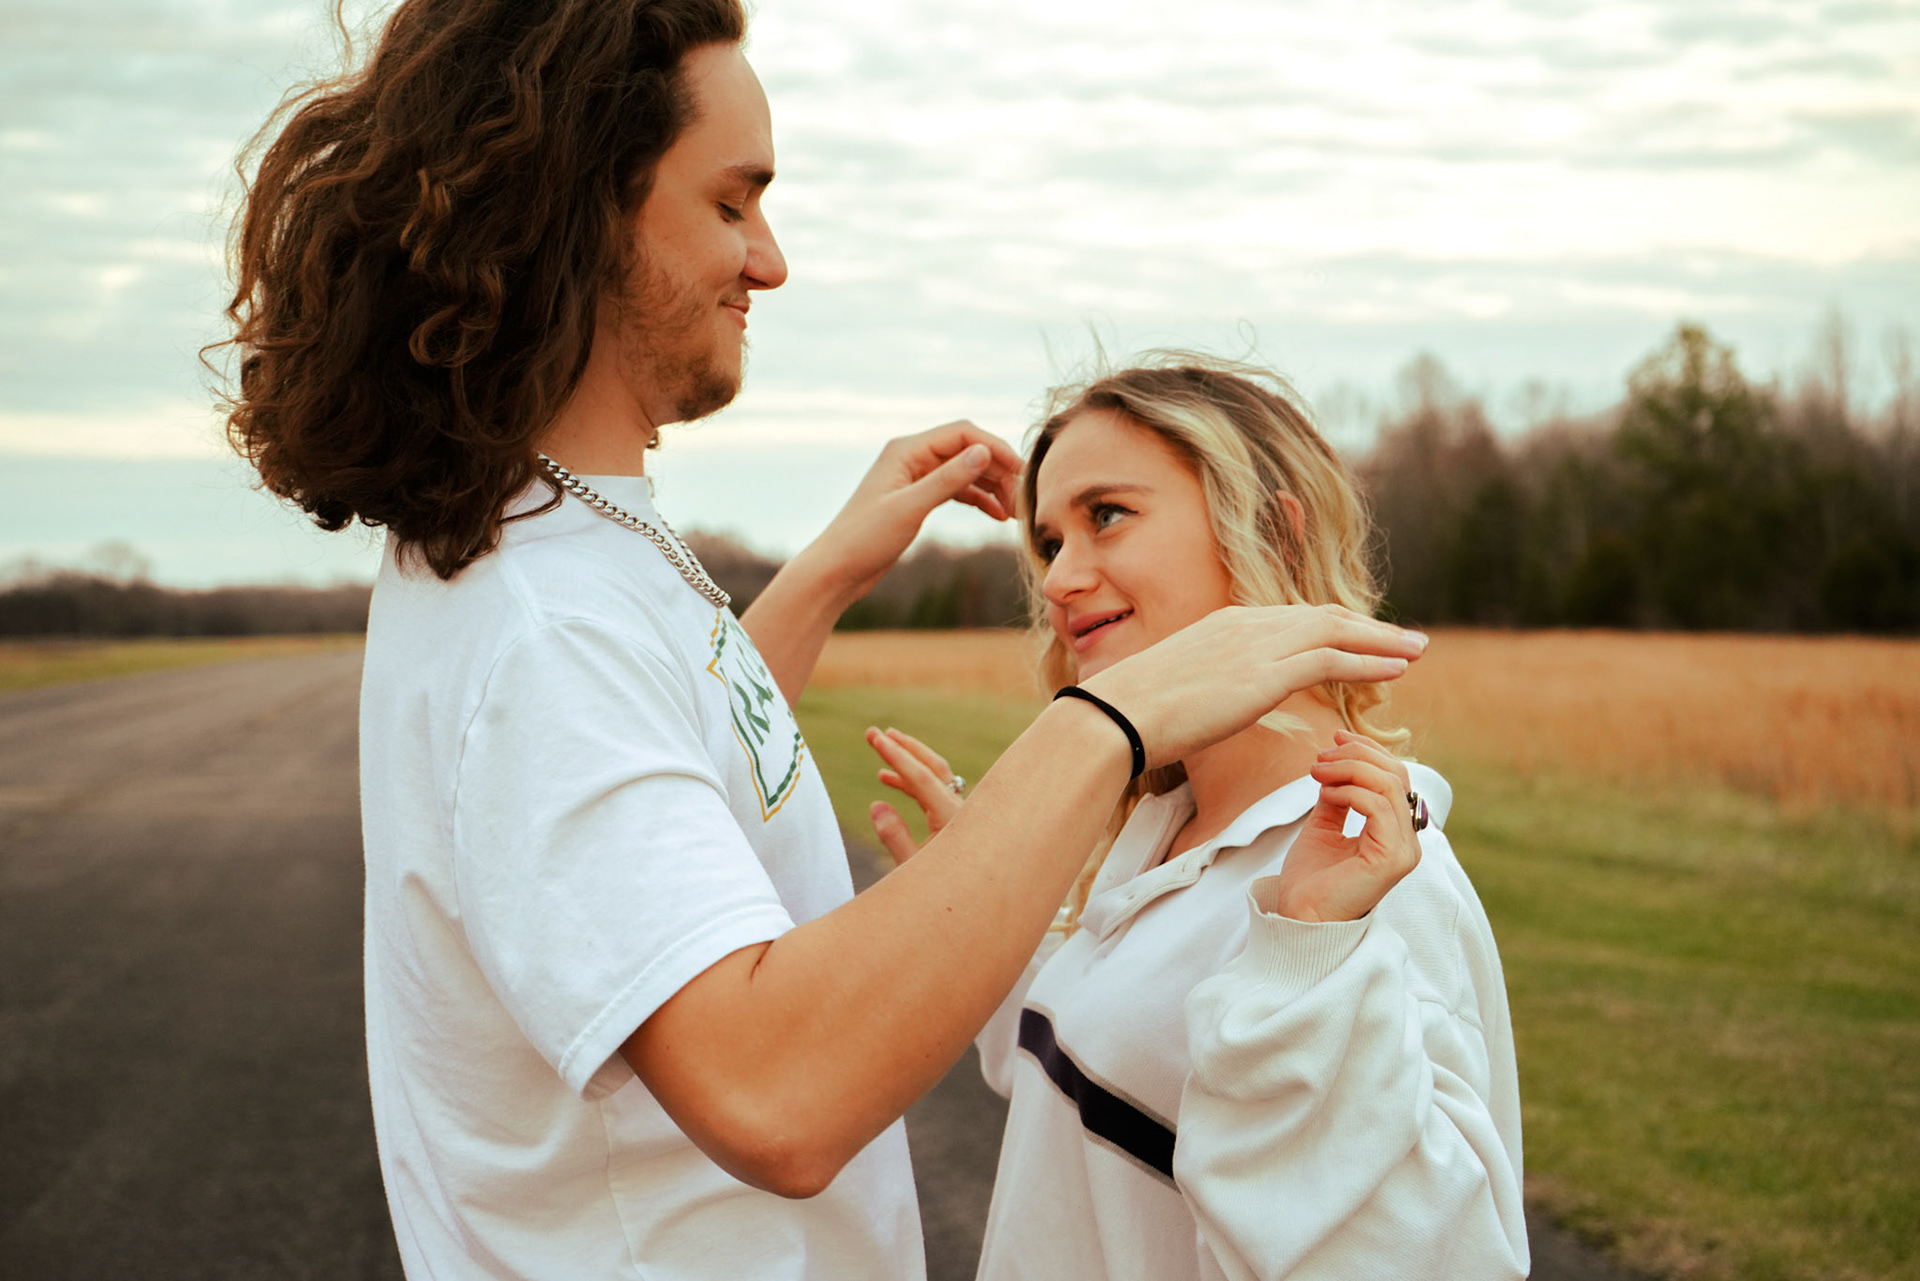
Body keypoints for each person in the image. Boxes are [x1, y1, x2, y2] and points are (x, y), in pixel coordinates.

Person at [213, 3, 1431, 1278]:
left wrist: (833, 570)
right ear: (576, 207)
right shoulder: (547, 622)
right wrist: (1107, 730)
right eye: (732, 202)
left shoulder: (558, 539)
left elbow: (673, 741)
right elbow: (774, 1092)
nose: (771, 261)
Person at [866, 357, 1528, 1280]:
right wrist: (990, 905)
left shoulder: (1374, 878)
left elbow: (1410, 1257)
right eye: (1051, 542)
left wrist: (1305, 954)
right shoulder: (1161, 826)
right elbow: (1087, 1081)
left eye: (1107, 515)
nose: (1059, 580)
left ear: (1274, 531)